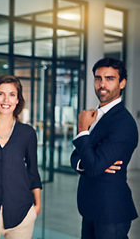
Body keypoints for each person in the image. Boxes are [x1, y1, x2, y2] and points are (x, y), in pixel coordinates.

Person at [70, 57, 138, 239]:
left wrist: (83, 130)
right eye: (98, 78)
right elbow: (76, 157)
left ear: (122, 83)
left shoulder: (123, 123)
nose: (102, 84)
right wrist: (93, 161)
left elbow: (92, 166)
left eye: (110, 78)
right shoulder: (95, 115)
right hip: (91, 208)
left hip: (111, 212)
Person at [0, 75, 42, 239]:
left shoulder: (27, 133)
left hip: (22, 214)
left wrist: (37, 207)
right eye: (1, 93)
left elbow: (33, 171)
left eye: (12, 94)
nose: (6, 99)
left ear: (18, 99)